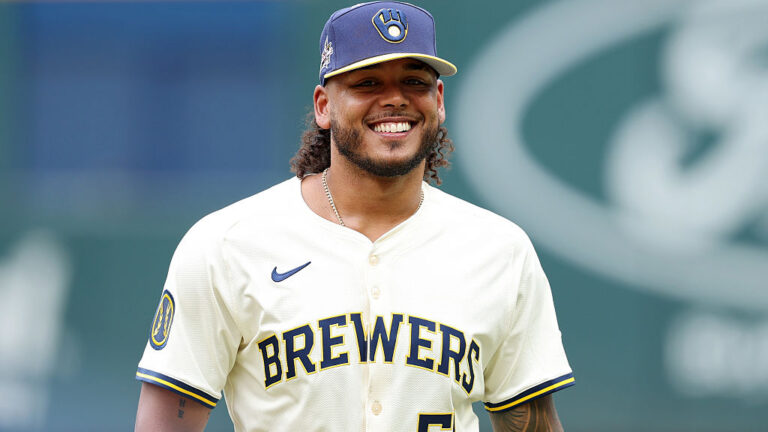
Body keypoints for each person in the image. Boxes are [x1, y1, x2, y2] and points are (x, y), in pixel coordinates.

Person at [134, 2, 574, 431]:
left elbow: (531, 420)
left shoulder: (499, 250)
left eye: (415, 82)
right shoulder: (226, 244)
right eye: (366, 83)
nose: (395, 99)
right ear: (324, 105)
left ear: (438, 100)